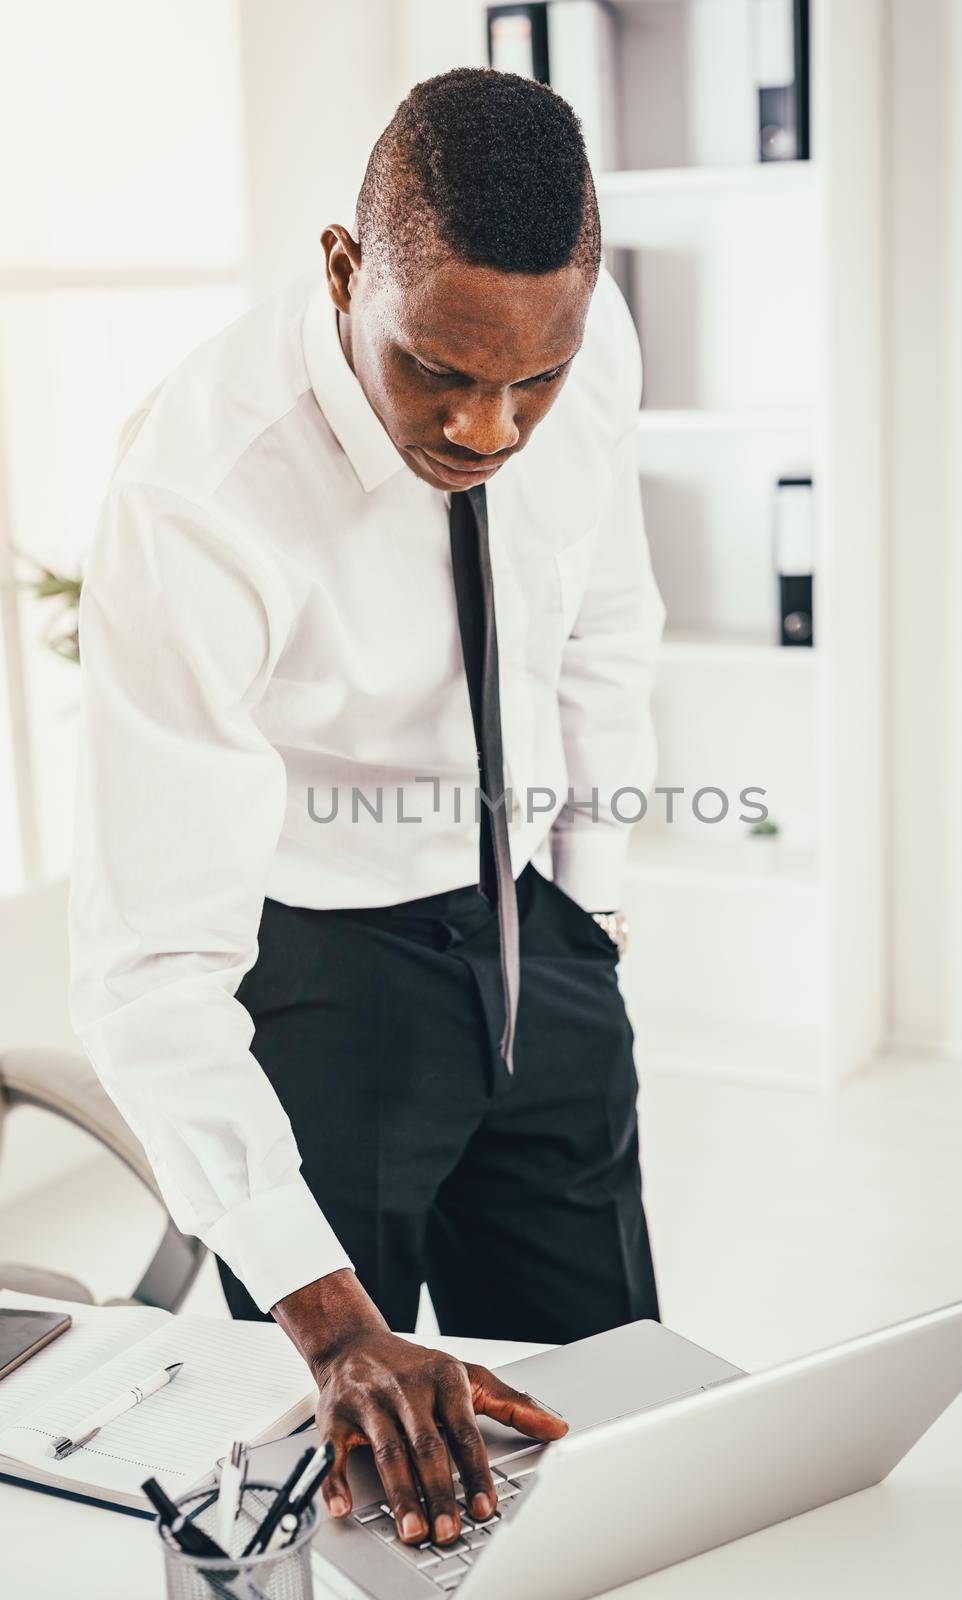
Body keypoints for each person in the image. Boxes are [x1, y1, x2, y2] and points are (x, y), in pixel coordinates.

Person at [69, 67, 664, 1548]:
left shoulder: (573, 336)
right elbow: (147, 961)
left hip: (533, 935)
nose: (488, 427)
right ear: (346, 270)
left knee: (606, 1427)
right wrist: (331, 1328)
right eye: (439, 370)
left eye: (534, 380)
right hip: (322, 975)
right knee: (342, 1481)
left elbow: (604, 619)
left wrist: (586, 913)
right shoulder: (200, 488)